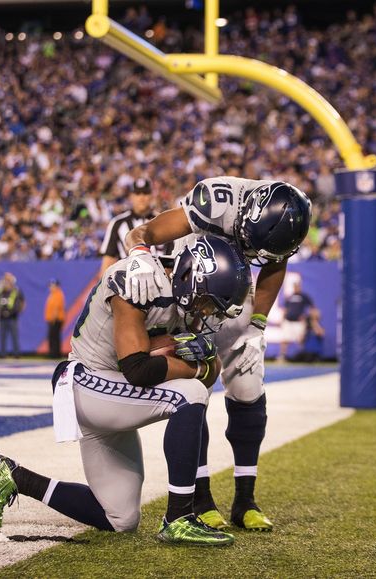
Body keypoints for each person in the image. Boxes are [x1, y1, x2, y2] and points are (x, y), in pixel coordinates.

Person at [0, 235, 252, 546]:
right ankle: (179, 517)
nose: (207, 313)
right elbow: (139, 369)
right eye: (207, 302)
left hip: (112, 392)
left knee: (121, 518)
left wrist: (202, 364)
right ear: (190, 279)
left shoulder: (185, 295)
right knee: (189, 393)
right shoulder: (139, 279)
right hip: (87, 383)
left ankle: (16, 476)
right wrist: (196, 366)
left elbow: (212, 370)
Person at [124, 177, 312, 531]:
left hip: (238, 297)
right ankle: (201, 496)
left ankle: (245, 500)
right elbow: (144, 232)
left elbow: (275, 264)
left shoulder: (289, 220)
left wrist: (258, 325)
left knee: (248, 385)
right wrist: (138, 256)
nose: (255, 251)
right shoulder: (215, 200)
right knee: (196, 395)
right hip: (198, 295)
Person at [98, 177, 172, 280]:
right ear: (131, 197)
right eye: (137, 194)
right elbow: (108, 260)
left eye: (145, 193)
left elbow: (172, 255)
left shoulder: (163, 221)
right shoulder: (117, 223)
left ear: (151, 196)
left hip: (161, 282)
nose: (141, 198)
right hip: (127, 284)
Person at [279, 279, 314, 362]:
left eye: (298, 286)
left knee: (300, 340)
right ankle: (282, 356)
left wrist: (305, 316)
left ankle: (302, 356)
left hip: (298, 322)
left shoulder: (304, 297)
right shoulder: (290, 297)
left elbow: (311, 308)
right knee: (285, 339)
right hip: (288, 321)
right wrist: (282, 319)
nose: (296, 288)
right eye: (295, 286)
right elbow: (285, 309)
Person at [0, 273, 25, 358]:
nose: (6, 283)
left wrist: (19, 311)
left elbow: (23, 302)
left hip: (12, 317)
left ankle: (16, 353)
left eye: (7, 281)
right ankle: (2, 354)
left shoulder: (16, 291)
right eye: (5, 281)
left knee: (14, 336)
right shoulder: (0, 291)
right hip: (2, 317)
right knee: (2, 336)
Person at [44, 279, 66, 358]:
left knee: (54, 337)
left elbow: (57, 307)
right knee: (53, 337)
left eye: (52, 286)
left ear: (56, 286)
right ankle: (53, 353)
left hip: (55, 319)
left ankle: (55, 354)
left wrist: (54, 318)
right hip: (52, 319)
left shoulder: (58, 294)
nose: (51, 287)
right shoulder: (52, 294)